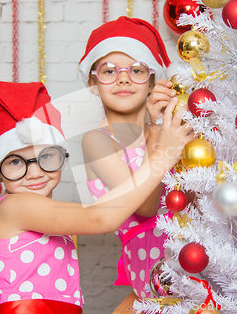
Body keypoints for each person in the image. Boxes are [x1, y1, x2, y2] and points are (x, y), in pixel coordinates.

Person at [0, 79, 192, 314]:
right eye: (16, 161)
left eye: (46, 156)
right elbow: (99, 218)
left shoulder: (43, 211)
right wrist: (165, 155)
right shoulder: (14, 206)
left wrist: (156, 129)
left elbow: (138, 202)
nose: (36, 172)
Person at [79, 16, 178, 298]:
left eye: (136, 70)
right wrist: (159, 131)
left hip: (192, 247)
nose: (123, 77)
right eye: (109, 71)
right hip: (151, 261)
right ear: (93, 83)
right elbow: (147, 206)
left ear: (151, 83)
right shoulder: (97, 141)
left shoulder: (161, 132)